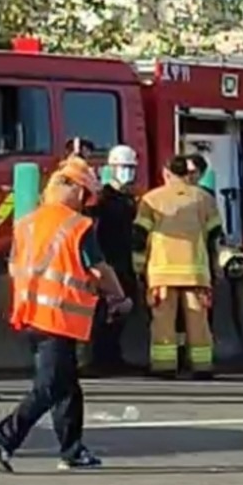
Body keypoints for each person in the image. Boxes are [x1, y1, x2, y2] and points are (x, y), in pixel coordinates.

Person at [0, 159, 133, 473]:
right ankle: (3, 437)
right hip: (58, 316)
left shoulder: (27, 223)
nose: (86, 203)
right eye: (86, 196)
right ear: (76, 190)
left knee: (66, 385)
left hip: (29, 312)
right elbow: (99, 268)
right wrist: (119, 297)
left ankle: (72, 449)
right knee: (50, 385)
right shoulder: (77, 226)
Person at [134, 156, 223, 380]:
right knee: (198, 321)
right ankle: (202, 366)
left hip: (162, 272)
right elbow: (215, 236)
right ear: (188, 173)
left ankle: (164, 366)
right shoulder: (204, 198)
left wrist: (139, 266)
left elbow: (139, 236)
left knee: (163, 321)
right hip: (196, 271)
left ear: (166, 173)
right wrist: (214, 265)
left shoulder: (151, 199)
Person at [85, 145, 141, 374]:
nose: (128, 172)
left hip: (125, 262)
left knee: (122, 312)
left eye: (131, 168)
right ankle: (100, 358)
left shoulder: (130, 199)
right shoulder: (104, 198)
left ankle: (113, 357)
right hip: (108, 262)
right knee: (106, 313)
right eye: (123, 167)